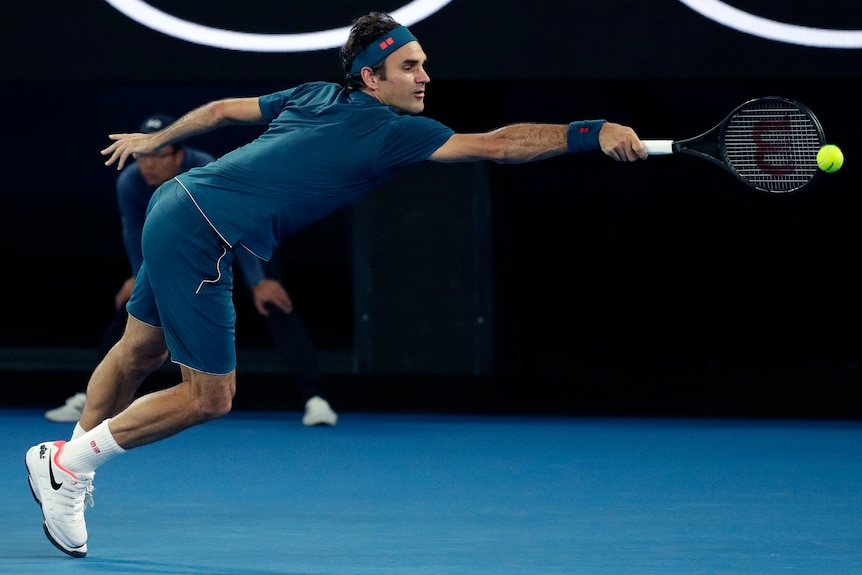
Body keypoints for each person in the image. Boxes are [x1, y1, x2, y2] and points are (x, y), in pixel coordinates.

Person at [25, 11, 647, 558]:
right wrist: (590, 132)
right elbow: (501, 146)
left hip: (175, 205)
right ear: (373, 79)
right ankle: (67, 463)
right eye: (409, 67)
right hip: (202, 232)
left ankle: (68, 474)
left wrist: (155, 140)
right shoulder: (392, 131)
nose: (425, 76)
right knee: (209, 398)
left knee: (140, 350)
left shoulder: (317, 93)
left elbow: (219, 112)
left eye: (425, 64)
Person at [43, 114, 337, 427]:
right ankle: (89, 400)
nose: (148, 165)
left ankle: (314, 398)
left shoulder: (203, 168)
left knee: (273, 302)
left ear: (178, 154)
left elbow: (241, 230)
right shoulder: (130, 182)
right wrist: (137, 274)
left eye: (158, 155)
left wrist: (258, 282)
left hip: (238, 240)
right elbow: (133, 229)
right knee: (130, 313)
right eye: (143, 156)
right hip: (174, 251)